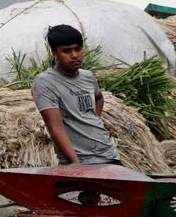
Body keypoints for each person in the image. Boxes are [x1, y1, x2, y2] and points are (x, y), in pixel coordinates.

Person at [32, 24, 120, 166]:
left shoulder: (88, 76)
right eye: (66, 51)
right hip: (83, 160)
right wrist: (74, 162)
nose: (74, 55)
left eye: (77, 49)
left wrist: (95, 118)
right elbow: (55, 126)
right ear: (54, 53)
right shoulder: (45, 82)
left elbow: (99, 98)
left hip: (109, 153)